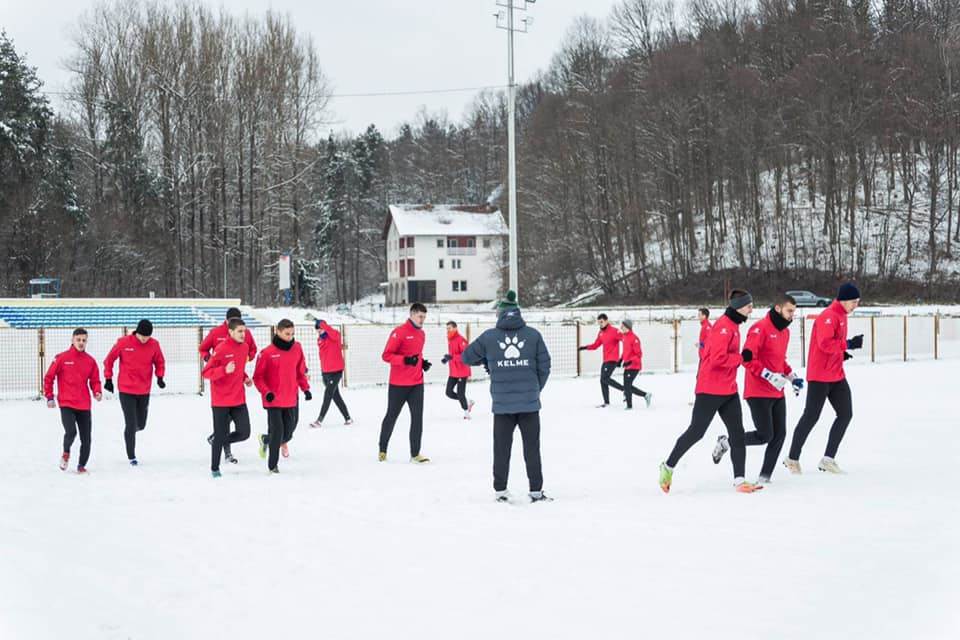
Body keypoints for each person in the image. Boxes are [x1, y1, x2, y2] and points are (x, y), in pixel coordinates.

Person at [659, 290, 762, 494]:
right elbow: (717, 359)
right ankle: (668, 466)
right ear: (738, 307)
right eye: (749, 306)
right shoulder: (724, 327)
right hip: (709, 389)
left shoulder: (734, 325)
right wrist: (741, 358)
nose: (752, 309)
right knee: (697, 432)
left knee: (738, 434)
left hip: (729, 389)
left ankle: (739, 480)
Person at [462, 290, 552, 503]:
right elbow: (545, 366)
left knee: (501, 448)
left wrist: (487, 361)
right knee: (532, 448)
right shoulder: (533, 335)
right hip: (529, 404)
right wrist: (535, 389)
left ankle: (501, 490)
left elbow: (466, 357)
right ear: (518, 313)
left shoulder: (489, 337)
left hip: (502, 405)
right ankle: (536, 491)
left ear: (499, 315)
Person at [719, 294, 802, 483]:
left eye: (794, 312)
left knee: (779, 435)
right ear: (778, 308)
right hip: (757, 392)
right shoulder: (759, 329)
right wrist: (768, 375)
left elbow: (780, 361)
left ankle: (765, 477)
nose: (792, 315)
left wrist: (791, 377)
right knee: (765, 435)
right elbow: (747, 359)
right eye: (790, 311)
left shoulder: (785, 332)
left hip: (777, 392)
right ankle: (727, 441)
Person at [785, 283, 863, 474]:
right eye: (853, 302)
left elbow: (832, 346)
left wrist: (842, 354)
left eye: (857, 302)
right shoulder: (829, 316)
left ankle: (828, 459)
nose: (856, 306)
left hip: (836, 374)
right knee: (811, 416)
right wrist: (848, 344)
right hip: (820, 375)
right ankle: (792, 458)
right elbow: (825, 344)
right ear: (844, 300)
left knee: (845, 414)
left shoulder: (842, 316)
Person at [103, 319, 165, 466]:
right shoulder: (124, 342)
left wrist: (160, 376)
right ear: (137, 332)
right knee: (131, 424)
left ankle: (129, 432)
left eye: (147, 337)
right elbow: (109, 360)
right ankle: (131, 456)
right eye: (142, 336)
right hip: (126, 389)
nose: (144, 339)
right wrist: (108, 379)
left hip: (144, 389)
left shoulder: (154, 345)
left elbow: (160, 362)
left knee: (141, 424)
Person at [253, 319, 311, 473]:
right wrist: (267, 392)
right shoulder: (266, 353)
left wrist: (306, 389)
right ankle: (273, 466)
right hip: (273, 400)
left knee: (289, 432)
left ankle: (266, 439)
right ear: (277, 332)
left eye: (292, 333)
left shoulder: (297, 348)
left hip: (291, 398)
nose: (290, 337)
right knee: (278, 431)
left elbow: (300, 372)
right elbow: (258, 377)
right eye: (287, 334)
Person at [378, 303, 432, 463]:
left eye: (424, 317)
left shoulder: (422, 334)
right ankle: (382, 450)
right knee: (391, 416)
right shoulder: (399, 332)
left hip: (416, 383)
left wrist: (421, 363)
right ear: (412, 314)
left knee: (417, 418)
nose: (422, 320)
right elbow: (386, 356)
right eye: (420, 316)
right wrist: (405, 360)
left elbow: (417, 354)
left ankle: (415, 454)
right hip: (398, 385)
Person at [44, 328, 102, 473]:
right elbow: (49, 377)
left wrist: (97, 391)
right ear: (72, 340)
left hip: (84, 405)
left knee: (86, 439)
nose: (81, 343)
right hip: (66, 403)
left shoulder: (90, 361)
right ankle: (66, 453)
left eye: (84, 340)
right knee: (71, 432)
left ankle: (81, 465)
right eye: (78, 340)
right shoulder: (61, 358)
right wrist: (49, 396)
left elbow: (95, 380)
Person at [201, 318, 253, 478]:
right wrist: (224, 370)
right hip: (221, 401)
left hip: (238, 399)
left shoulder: (245, 348)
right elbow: (206, 373)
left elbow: (238, 368)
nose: (243, 334)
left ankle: (219, 439)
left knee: (244, 433)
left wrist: (245, 377)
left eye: (244, 331)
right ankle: (215, 468)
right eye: (239, 331)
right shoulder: (221, 349)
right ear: (230, 332)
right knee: (221, 434)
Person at [309, 319, 352, 428]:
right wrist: (322, 370)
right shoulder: (320, 340)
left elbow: (333, 334)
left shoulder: (335, 335)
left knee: (328, 394)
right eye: (317, 330)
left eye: (320, 329)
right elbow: (322, 356)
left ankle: (319, 420)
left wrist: (324, 325)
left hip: (336, 371)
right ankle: (348, 418)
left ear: (325, 327)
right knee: (335, 396)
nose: (319, 332)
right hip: (325, 372)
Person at [578, 313, 623, 407]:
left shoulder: (615, 331)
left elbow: (625, 340)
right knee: (602, 380)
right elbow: (595, 345)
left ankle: (625, 390)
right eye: (599, 322)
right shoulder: (601, 333)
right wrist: (585, 347)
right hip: (606, 360)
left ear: (607, 321)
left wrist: (622, 358)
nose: (600, 324)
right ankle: (606, 402)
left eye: (601, 322)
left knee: (605, 378)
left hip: (613, 359)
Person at [442, 321, 474, 419]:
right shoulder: (450, 339)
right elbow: (453, 355)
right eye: (447, 328)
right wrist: (447, 359)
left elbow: (466, 356)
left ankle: (466, 413)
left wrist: (452, 357)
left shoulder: (461, 340)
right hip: (453, 372)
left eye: (449, 328)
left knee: (460, 393)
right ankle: (467, 401)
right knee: (448, 392)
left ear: (455, 328)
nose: (448, 330)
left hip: (462, 371)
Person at [619, 319, 651, 409]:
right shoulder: (624, 337)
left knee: (627, 385)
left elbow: (639, 354)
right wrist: (620, 360)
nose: (621, 327)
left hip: (635, 366)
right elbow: (625, 351)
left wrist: (630, 361)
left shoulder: (634, 338)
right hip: (627, 366)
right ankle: (645, 395)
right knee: (626, 386)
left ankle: (629, 406)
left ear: (627, 327)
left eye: (623, 326)